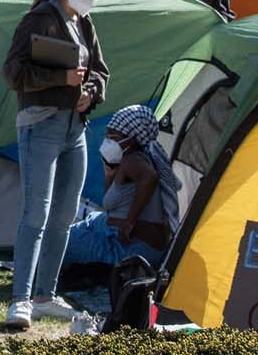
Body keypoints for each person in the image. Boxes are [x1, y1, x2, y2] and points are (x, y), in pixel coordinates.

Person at [2, 0, 109, 330]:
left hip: (74, 129)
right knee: (36, 214)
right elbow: (13, 72)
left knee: (64, 215)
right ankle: (20, 300)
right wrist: (60, 79)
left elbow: (100, 71)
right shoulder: (40, 19)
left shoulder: (84, 22)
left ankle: (45, 296)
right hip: (40, 124)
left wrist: (90, 93)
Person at [64, 105, 179, 268]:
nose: (107, 141)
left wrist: (129, 222)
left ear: (132, 139)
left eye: (113, 137)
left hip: (132, 248)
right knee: (87, 223)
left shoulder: (133, 160)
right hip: (116, 230)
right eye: (107, 136)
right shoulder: (134, 159)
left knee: (60, 241)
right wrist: (109, 175)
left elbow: (150, 178)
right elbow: (110, 205)